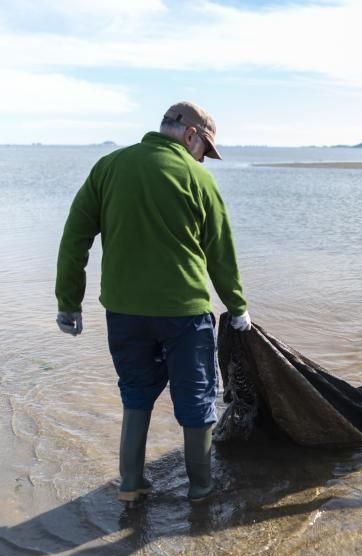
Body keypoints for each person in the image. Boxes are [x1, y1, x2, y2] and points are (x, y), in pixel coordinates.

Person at [55, 101, 252, 503]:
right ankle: (201, 490)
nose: (204, 160)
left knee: (135, 391)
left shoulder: (108, 167)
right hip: (184, 313)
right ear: (191, 135)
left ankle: (131, 485)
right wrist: (237, 307)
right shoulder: (199, 180)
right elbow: (221, 252)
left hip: (124, 312)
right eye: (205, 151)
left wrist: (68, 302)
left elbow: (75, 238)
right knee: (197, 397)